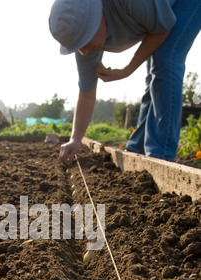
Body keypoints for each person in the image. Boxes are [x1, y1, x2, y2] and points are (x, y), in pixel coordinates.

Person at [49, 0, 201, 165]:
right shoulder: (86, 49)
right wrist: (75, 139)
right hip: (159, 13)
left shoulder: (130, 3)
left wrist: (127, 70)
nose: (83, 50)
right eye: (77, 46)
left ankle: (161, 156)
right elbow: (86, 93)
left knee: (166, 60)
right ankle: (137, 149)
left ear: (95, 19)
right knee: (155, 76)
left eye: (84, 41)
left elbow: (162, 29)